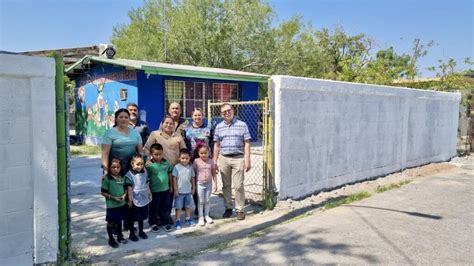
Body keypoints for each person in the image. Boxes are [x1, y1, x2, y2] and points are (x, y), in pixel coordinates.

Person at [213, 103, 251, 221]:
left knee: (239, 185)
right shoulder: (219, 127)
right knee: (226, 185)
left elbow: (247, 143)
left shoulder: (242, 125)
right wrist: (215, 161)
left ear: (233, 111)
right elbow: (217, 145)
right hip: (224, 158)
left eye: (228, 110)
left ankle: (239, 209)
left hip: (238, 158)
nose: (227, 113)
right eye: (224, 112)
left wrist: (247, 159)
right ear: (221, 114)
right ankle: (228, 208)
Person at [184, 107, 215, 213]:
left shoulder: (208, 128)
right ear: (192, 116)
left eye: (199, 115)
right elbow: (185, 145)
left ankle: (206, 209)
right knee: (195, 183)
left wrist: (213, 158)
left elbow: (212, 143)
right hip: (192, 160)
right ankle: (198, 208)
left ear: (203, 116)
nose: (197, 117)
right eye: (195, 115)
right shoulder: (187, 129)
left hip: (206, 161)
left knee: (205, 182)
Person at [101, 108, 143, 176]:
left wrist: (141, 166)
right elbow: (105, 154)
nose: (123, 119)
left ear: (129, 119)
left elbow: (140, 152)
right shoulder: (109, 133)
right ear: (116, 119)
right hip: (115, 169)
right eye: (121, 117)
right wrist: (105, 170)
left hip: (133, 169)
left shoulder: (135, 133)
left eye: (126, 117)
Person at [101, 158, 129, 248]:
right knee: (111, 222)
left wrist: (124, 195)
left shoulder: (122, 177)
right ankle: (111, 239)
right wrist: (113, 198)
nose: (116, 169)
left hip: (121, 203)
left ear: (120, 168)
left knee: (119, 220)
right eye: (113, 167)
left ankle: (120, 236)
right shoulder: (107, 179)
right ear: (109, 168)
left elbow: (125, 188)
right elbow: (103, 192)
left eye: (118, 167)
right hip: (112, 205)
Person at [146, 143, 174, 232]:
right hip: (154, 191)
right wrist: (148, 190)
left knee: (165, 206)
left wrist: (171, 185)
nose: (158, 156)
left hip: (165, 189)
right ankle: (153, 223)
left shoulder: (166, 162)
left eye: (160, 154)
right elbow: (147, 179)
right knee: (154, 207)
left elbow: (169, 173)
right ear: (151, 154)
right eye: (155, 154)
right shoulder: (149, 165)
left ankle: (165, 222)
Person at [125, 155, 151, 241]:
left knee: (141, 216)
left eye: (142, 164)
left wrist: (149, 193)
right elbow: (129, 188)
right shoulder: (129, 174)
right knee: (132, 216)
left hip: (143, 196)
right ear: (132, 164)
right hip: (134, 198)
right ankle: (132, 233)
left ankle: (141, 231)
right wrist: (130, 199)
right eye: (138, 164)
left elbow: (147, 183)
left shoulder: (145, 171)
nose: (140, 166)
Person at [193, 144, 216, 226]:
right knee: (200, 201)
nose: (203, 155)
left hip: (209, 183)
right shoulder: (196, 161)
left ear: (209, 152)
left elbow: (213, 173)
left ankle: (207, 215)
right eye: (201, 153)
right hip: (199, 183)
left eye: (205, 153)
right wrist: (193, 185)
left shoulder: (211, 161)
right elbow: (194, 173)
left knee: (207, 200)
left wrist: (215, 184)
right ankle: (200, 216)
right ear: (198, 153)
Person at [172, 149, 196, 229]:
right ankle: (178, 220)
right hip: (179, 191)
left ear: (189, 158)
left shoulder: (190, 167)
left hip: (188, 191)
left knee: (187, 206)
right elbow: (174, 178)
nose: (184, 160)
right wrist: (175, 189)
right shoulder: (176, 167)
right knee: (178, 207)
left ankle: (188, 218)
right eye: (182, 158)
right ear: (179, 158)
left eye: (186, 158)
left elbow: (193, 178)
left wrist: (193, 188)